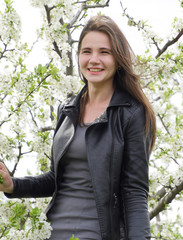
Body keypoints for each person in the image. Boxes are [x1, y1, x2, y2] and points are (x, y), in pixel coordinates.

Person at [0, 15, 156, 240]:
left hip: (97, 234)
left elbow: (135, 193)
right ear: (78, 56)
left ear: (118, 58)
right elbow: (55, 180)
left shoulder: (131, 113)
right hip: (53, 232)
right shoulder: (67, 109)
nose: (94, 60)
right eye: (86, 51)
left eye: (104, 52)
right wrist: (13, 185)